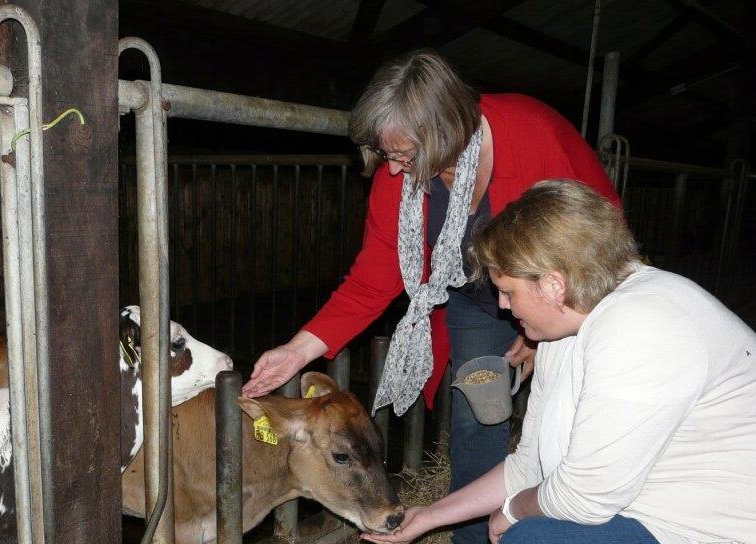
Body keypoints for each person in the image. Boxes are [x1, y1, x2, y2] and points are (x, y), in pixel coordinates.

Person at [241, 49, 619, 544]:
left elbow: (598, 240)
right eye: (387, 155)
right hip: (474, 296)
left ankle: (575, 511)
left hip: (564, 296)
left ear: (446, 131)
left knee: (565, 408)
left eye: (404, 155)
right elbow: (374, 277)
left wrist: (543, 329)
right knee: (478, 411)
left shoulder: (533, 136)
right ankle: (472, 535)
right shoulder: (397, 175)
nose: (394, 170)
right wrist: (299, 349)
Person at [361, 179, 756, 544]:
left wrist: (513, 512)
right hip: (645, 513)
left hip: (708, 530)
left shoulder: (644, 323)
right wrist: (430, 515)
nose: (501, 305)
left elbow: (584, 498)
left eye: (508, 291)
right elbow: (529, 465)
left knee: (534, 538)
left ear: (553, 284)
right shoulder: (564, 327)